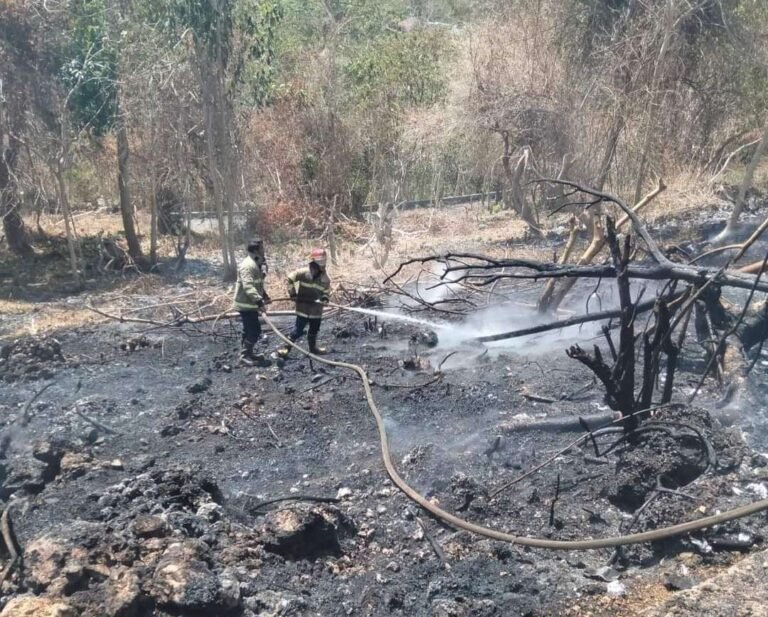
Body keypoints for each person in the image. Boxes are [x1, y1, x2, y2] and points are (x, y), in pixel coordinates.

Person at [278, 248, 331, 357]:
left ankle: (313, 349)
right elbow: (290, 279)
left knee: (314, 330)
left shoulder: (325, 278)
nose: (322, 265)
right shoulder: (303, 273)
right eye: (320, 262)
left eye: (323, 262)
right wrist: (292, 294)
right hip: (303, 308)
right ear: (313, 262)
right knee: (298, 330)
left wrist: (325, 299)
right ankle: (286, 348)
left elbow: (326, 291)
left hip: (316, 311)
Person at [233, 238, 271, 366]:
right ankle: (243, 356)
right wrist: (260, 302)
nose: (264, 250)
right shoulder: (247, 266)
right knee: (255, 330)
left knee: (248, 330)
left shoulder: (255, 264)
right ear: (255, 250)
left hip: (250, 304)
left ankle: (248, 354)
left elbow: (257, 284)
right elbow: (248, 286)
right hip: (246, 305)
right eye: (262, 248)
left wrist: (264, 295)